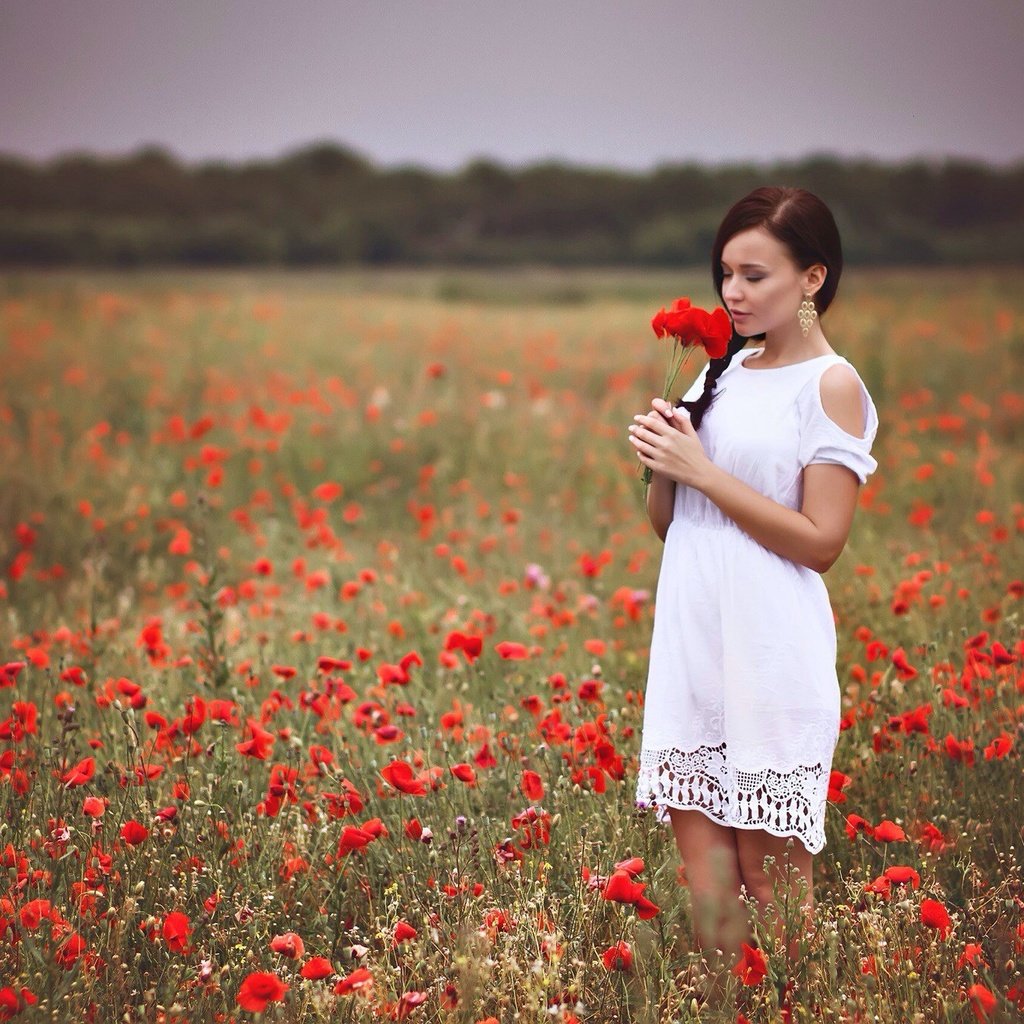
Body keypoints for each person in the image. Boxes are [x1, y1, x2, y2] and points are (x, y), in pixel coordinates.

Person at [627, 186, 879, 981]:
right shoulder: (719, 377)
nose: (733, 293)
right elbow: (675, 525)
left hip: (771, 648)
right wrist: (663, 461)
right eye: (726, 274)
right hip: (693, 642)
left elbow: (821, 542)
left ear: (812, 278)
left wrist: (701, 468)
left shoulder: (832, 386)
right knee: (711, 899)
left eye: (755, 275)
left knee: (772, 885)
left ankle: (803, 1004)